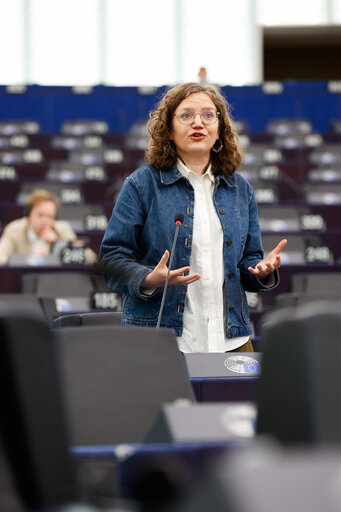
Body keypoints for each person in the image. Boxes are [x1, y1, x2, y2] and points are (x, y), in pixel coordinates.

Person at [100, 82, 287, 352]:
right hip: (163, 338)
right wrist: (148, 277)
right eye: (186, 115)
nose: (198, 123)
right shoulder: (142, 184)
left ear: (220, 129)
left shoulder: (240, 188)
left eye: (208, 115)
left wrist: (261, 272)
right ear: (169, 129)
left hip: (232, 340)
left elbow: (249, 261)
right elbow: (112, 258)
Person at [0, 189, 97, 265]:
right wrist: (30, 259)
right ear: (29, 215)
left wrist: (59, 243)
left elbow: (91, 258)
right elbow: (1, 258)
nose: (45, 221)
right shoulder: (14, 230)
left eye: (50, 216)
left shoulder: (62, 229)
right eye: (40, 215)